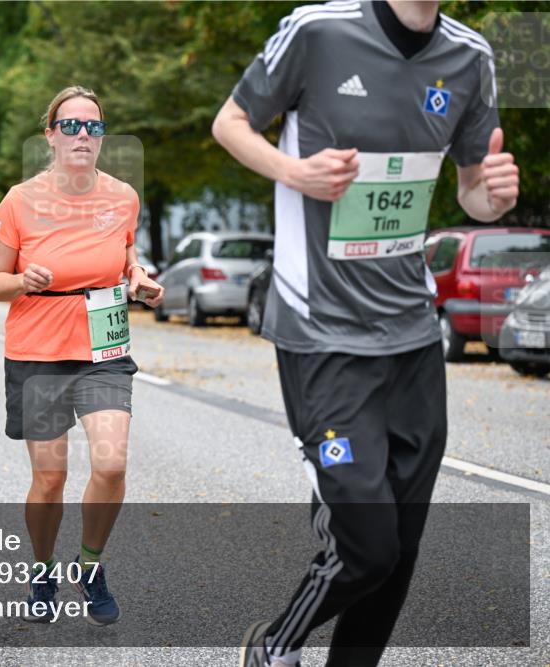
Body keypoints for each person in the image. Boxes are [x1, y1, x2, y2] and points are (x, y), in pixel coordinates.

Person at [211, 2, 519, 665]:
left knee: (399, 550)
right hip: (321, 332)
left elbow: (473, 190)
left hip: (413, 338)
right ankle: (274, 645)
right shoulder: (317, 30)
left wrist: (493, 197)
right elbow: (229, 122)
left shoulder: (470, 57)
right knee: (367, 546)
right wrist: (293, 171)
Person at [0, 86, 164, 626]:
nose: (83, 134)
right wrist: (22, 280)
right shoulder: (20, 200)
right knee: (51, 479)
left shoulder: (123, 196)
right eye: (71, 126)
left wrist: (138, 276)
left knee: (110, 464)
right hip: (38, 353)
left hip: (103, 349)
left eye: (93, 126)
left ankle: (90, 565)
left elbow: (126, 252)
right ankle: (42, 570)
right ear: (51, 136)